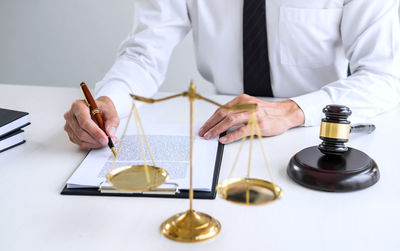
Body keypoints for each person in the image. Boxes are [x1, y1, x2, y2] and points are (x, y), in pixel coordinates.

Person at [64, 0, 400, 149]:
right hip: (221, 136)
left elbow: (384, 77)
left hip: (315, 135)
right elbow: (143, 55)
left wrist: (291, 111)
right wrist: (109, 100)